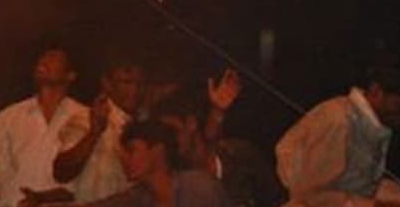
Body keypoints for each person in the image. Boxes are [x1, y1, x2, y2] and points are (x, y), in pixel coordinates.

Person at [275, 55, 400, 207]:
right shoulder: (339, 120)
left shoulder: (372, 125)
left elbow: (360, 185)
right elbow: (310, 194)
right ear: (376, 91)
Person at [0, 47, 90, 207]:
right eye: (41, 57)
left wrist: (41, 198)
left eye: (52, 57)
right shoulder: (8, 118)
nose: (43, 61)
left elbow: (84, 188)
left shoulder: (86, 118)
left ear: (70, 75)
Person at [154, 73, 282, 207]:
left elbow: (279, 201)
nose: (166, 140)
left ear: (191, 124)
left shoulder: (240, 155)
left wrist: (217, 112)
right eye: (162, 135)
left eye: (172, 132)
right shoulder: (173, 182)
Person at [55, 59, 145, 202]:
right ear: (107, 84)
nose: (135, 90)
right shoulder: (85, 119)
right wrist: (94, 133)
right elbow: (61, 172)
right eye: (126, 82)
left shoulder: (147, 126)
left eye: (140, 83)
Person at [83, 121, 231, 207]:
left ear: (157, 150)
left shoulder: (198, 186)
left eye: (131, 150)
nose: (124, 160)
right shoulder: (138, 196)